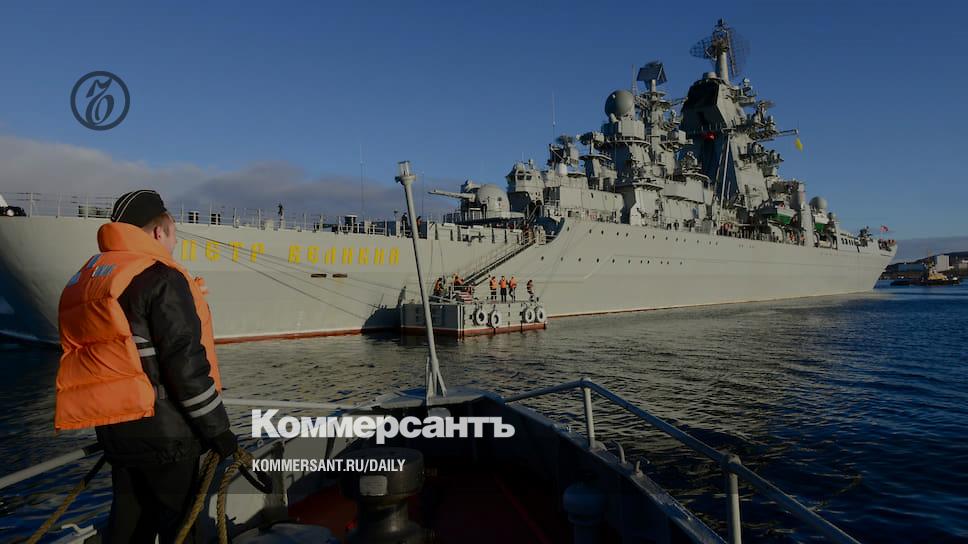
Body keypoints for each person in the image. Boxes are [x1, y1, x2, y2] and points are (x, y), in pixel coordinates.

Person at [54, 190, 237, 543]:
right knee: (181, 528)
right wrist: (218, 430)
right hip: (167, 435)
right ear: (158, 232)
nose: (174, 244)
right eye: (173, 235)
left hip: (116, 429)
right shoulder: (161, 278)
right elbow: (184, 363)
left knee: (128, 523)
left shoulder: (92, 278)